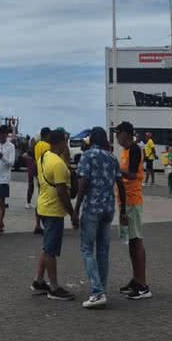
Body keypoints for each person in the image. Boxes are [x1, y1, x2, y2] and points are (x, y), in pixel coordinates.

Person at [74, 127, 126, 308]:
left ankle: (97, 291)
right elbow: (120, 183)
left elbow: (82, 183)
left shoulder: (88, 155)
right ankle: (101, 288)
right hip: (109, 208)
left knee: (87, 249)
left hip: (92, 208)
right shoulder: (112, 157)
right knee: (103, 251)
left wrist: (76, 208)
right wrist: (124, 210)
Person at [31, 129, 78, 301]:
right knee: (51, 250)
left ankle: (39, 280)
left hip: (43, 206)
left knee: (46, 246)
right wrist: (72, 213)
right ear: (61, 142)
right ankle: (54, 287)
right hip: (53, 210)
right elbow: (62, 193)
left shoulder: (43, 157)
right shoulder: (58, 164)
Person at [112, 122, 153, 299]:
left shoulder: (135, 149)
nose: (116, 138)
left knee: (136, 241)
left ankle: (143, 285)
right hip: (124, 201)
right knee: (130, 242)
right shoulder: (125, 151)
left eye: (118, 134)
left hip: (133, 201)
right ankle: (136, 279)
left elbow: (132, 174)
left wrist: (114, 171)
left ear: (126, 135)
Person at [32, 127, 52, 234]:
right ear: (47, 135)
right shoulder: (47, 146)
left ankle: (37, 224)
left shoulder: (37, 145)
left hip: (39, 175)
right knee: (46, 200)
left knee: (40, 198)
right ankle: (45, 224)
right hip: (46, 176)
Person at [24, 141, 36, 209]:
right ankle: (28, 202)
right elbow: (24, 155)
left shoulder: (32, 149)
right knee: (31, 186)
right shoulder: (31, 150)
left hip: (32, 169)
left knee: (31, 186)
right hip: (32, 169)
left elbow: (24, 156)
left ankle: (28, 202)